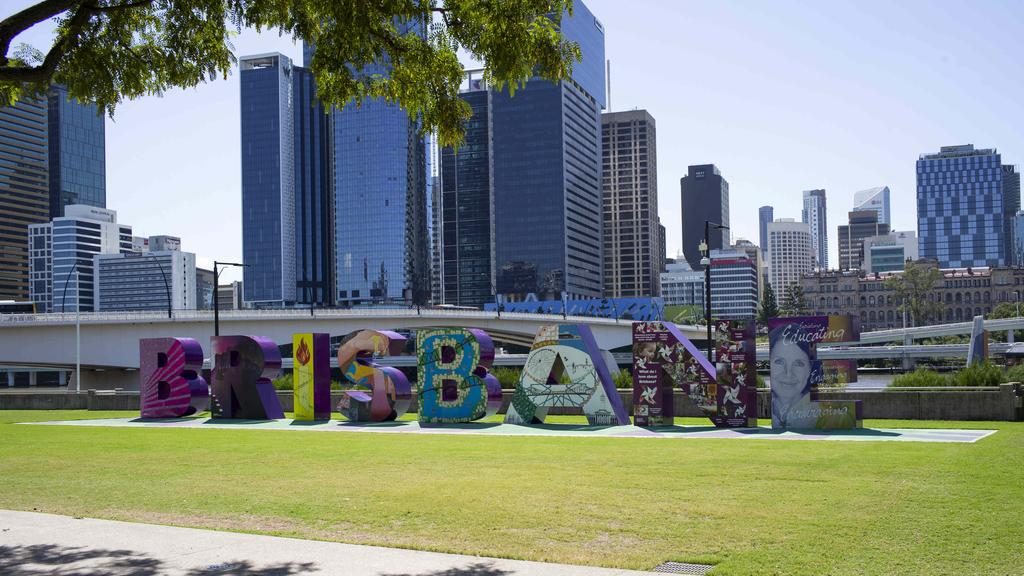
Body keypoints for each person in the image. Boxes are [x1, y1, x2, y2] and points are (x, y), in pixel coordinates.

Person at [768, 325, 821, 428]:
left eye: (798, 363)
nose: (788, 373)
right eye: (779, 361)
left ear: (809, 369)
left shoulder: (825, 417)